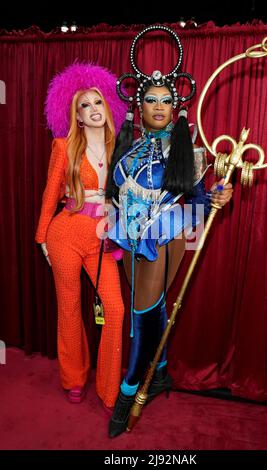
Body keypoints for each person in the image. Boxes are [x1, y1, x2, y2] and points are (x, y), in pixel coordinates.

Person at [105, 26, 233, 437]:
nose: (159, 107)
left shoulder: (188, 149)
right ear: (138, 105)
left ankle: (129, 391)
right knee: (152, 305)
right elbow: (113, 194)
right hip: (128, 234)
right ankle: (159, 372)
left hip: (167, 233)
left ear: (176, 105)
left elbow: (195, 201)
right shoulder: (125, 145)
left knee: (141, 315)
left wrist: (217, 195)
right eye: (150, 100)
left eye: (166, 100)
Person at [35, 63, 127, 409]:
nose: (93, 110)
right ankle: (73, 377)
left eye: (98, 102)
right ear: (75, 115)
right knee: (70, 308)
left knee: (115, 309)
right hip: (65, 234)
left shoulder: (122, 144)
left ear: (109, 106)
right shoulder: (63, 146)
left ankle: (108, 386)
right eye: (84, 106)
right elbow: (49, 193)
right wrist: (42, 237)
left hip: (102, 238)